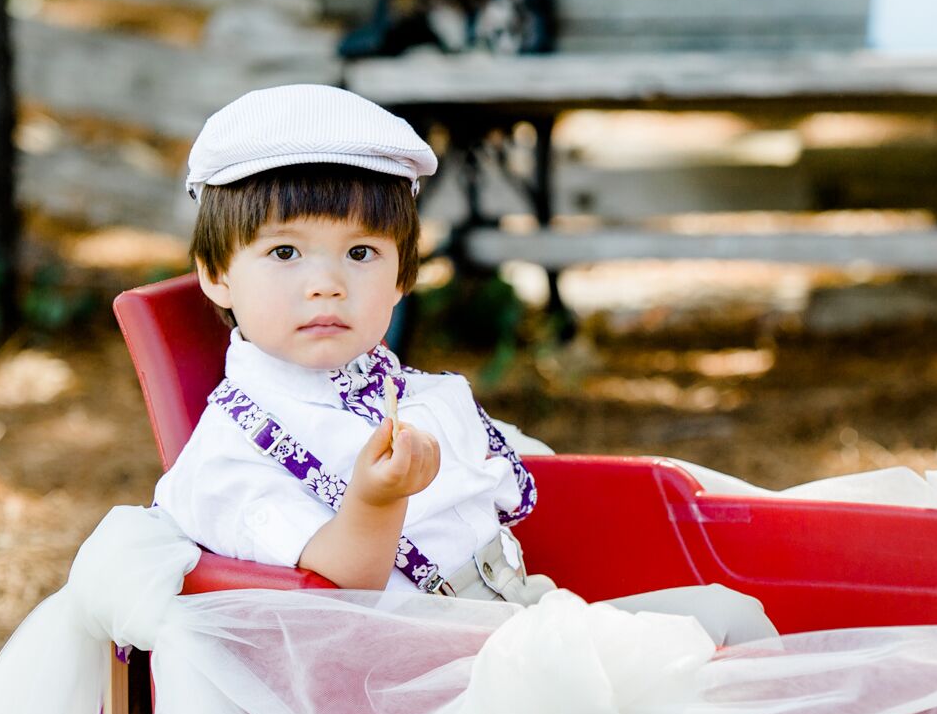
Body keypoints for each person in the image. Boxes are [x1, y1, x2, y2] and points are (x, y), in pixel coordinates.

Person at [159, 84, 773, 635]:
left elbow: (523, 480)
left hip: (515, 615)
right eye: (287, 252)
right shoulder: (228, 457)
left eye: (363, 253)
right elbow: (342, 588)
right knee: (709, 641)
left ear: (403, 276)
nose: (327, 283)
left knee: (730, 615)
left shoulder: (392, 386)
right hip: (416, 673)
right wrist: (375, 501)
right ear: (216, 275)